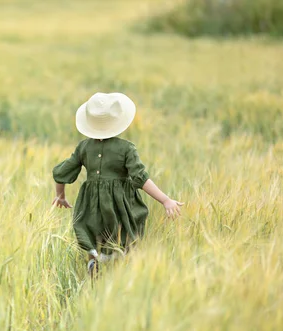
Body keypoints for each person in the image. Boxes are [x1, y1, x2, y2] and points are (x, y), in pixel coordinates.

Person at [52, 92, 184, 276]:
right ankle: (125, 273)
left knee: (93, 230)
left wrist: (60, 196)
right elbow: (140, 178)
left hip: (90, 203)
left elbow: (61, 173)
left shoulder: (84, 147)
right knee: (126, 234)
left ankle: (94, 264)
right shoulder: (126, 148)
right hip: (120, 203)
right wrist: (165, 200)